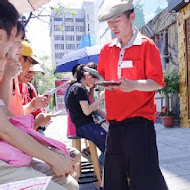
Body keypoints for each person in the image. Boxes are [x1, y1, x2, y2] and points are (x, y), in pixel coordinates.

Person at [0, 1, 79, 189]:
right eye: (16, 42)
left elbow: (9, 119)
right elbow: (6, 129)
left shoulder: (19, 83)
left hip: (11, 147)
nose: (13, 53)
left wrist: (51, 151)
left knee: (70, 184)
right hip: (8, 149)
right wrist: (52, 156)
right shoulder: (8, 77)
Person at [97, 1, 168, 190]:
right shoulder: (106, 50)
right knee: (113, 180)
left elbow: (157, 82)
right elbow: (102, 77)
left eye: (117, 20)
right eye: (109, 22)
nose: (113, 26)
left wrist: (133, 85)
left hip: (139, 122)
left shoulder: (147, 46)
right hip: (115, 124)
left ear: (132, 17)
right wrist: (93, 78)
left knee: (145, 179)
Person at [67, 64, 107, 158]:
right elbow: (87, 111)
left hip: (84, 125)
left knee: (109, 141)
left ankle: (105, 162)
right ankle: (105, 163)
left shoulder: (79, 87)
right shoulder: (79, 88)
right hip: (84, 126)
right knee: (109, 141)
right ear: (88, 75)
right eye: (95, 77)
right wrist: (101, 98)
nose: (96, 81)